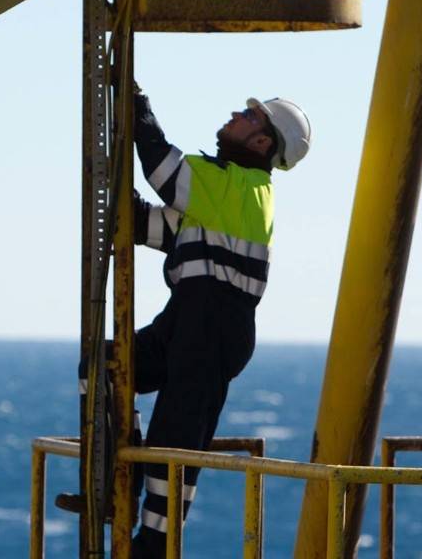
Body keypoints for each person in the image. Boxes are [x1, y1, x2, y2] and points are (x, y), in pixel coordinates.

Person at [125, 83, 310, 557]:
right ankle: (115, 474)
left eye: (250, 115)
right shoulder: (228, 194)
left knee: (175, 449)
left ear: (262, 143)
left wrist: (134, 102)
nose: (237, 113)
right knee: (107, 368)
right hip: (188, 325)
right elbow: (165, 229)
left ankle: (153, 547)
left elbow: (159, 164)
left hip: (209, 334)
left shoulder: (235, 185)